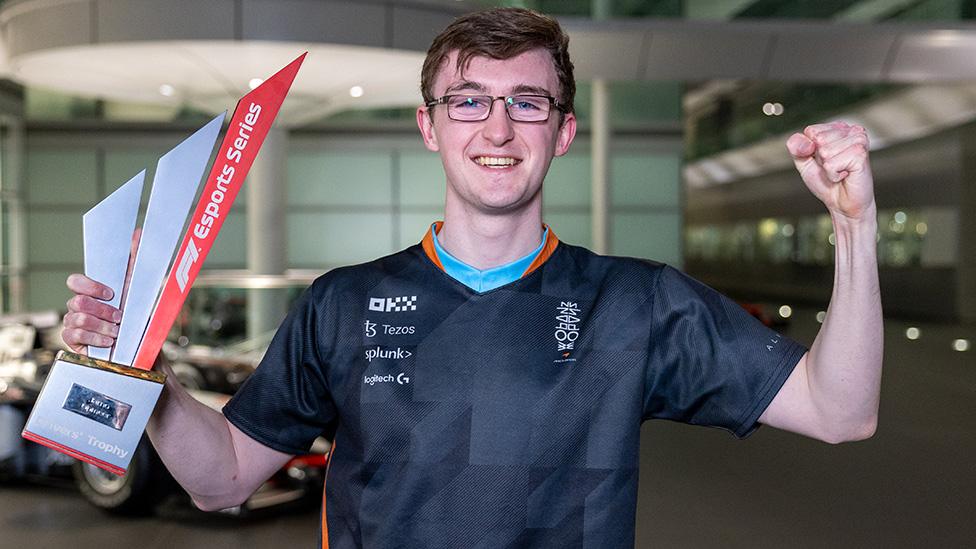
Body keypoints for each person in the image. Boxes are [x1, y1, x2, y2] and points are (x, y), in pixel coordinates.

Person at [61, 7, 882, 548]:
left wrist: (855, 228)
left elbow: (840, 410)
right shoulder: (341, 304)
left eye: (528, 102)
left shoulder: (639, 302)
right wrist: (149, 378)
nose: (497, 126)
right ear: (429, 126)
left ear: (563, 133)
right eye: (468, 101)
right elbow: (221, 480)